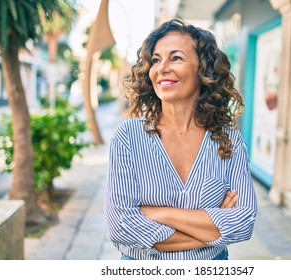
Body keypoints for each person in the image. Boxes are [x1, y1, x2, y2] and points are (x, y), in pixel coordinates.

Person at [105, 19, 257, 260]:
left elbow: (242, 222)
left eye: (176, 58)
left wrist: (160, 214)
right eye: (156, 60)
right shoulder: (129, 137)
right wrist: (212, 227)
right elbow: (122, 226)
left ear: (203, 69)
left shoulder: (229, 140)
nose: (161, 68)